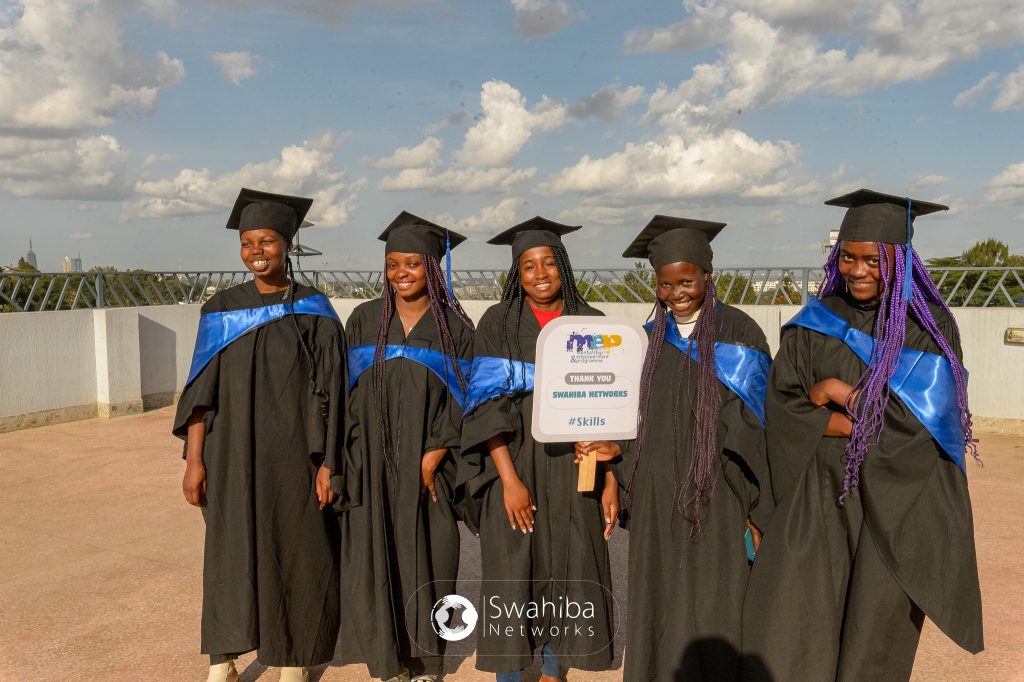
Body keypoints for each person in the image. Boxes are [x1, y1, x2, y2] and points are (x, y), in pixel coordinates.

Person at [742, 189, 984, 681]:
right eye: (847, 258)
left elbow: (925, 425)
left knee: (872, 641)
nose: (857, 271)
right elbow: (782, 404)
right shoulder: (817, 320)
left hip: (892, 506)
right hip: (816, 500)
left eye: (872, 260)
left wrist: (834, 392)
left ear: (899, 259)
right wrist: (844, 415)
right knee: (794, 628)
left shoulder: (927, 327)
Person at [576, 216, 773, 681]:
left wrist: (752, 506)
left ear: (707, 275)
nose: (676, 293)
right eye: (665, 284)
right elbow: (634, 420)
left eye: (686, 281)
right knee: (658, 600)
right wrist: (614, 457)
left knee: (717, 600)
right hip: (657, 494)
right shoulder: (647, 340)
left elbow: (757, 424)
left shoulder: (739, 332)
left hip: (719, 496)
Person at [172, 188, 347, 682]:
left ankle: (293, 657)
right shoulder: (221, 310)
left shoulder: (313, 310)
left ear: (288, 245)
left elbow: (335, 392)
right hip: (231, 456)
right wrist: (195, 460)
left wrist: (327, 463)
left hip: (294, 456)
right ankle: (223, 659)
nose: (256, 252)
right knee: (230, 551)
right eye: (247, 243)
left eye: (267, 241)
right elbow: (200, 393)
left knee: (296, 551)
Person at [459, 217, 617, 681]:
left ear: (563, 266)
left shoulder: (590, 323)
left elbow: (609, 405)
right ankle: (511, 671)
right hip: (514, 463)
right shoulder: (498, 323)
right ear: (517, 273)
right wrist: (509, 481)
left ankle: (553, 669)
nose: (540, 273)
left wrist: (610, 479)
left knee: (570, 567)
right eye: (529, 266)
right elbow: (486, 406)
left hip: (575, 470)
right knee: (512, 572)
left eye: (549, 262)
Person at [337, 212, 474, 682]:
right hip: (371, 463)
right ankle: (387, 660)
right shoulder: (364, 320)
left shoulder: (455, 328)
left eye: (413, 263)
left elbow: (469, 397)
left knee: (432, 557)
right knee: (375, 560)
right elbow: (345, 395)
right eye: (393, 264)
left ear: (432, 267)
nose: (402, 273)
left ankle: (429, 662)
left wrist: (436, 451)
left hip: (431, 467)